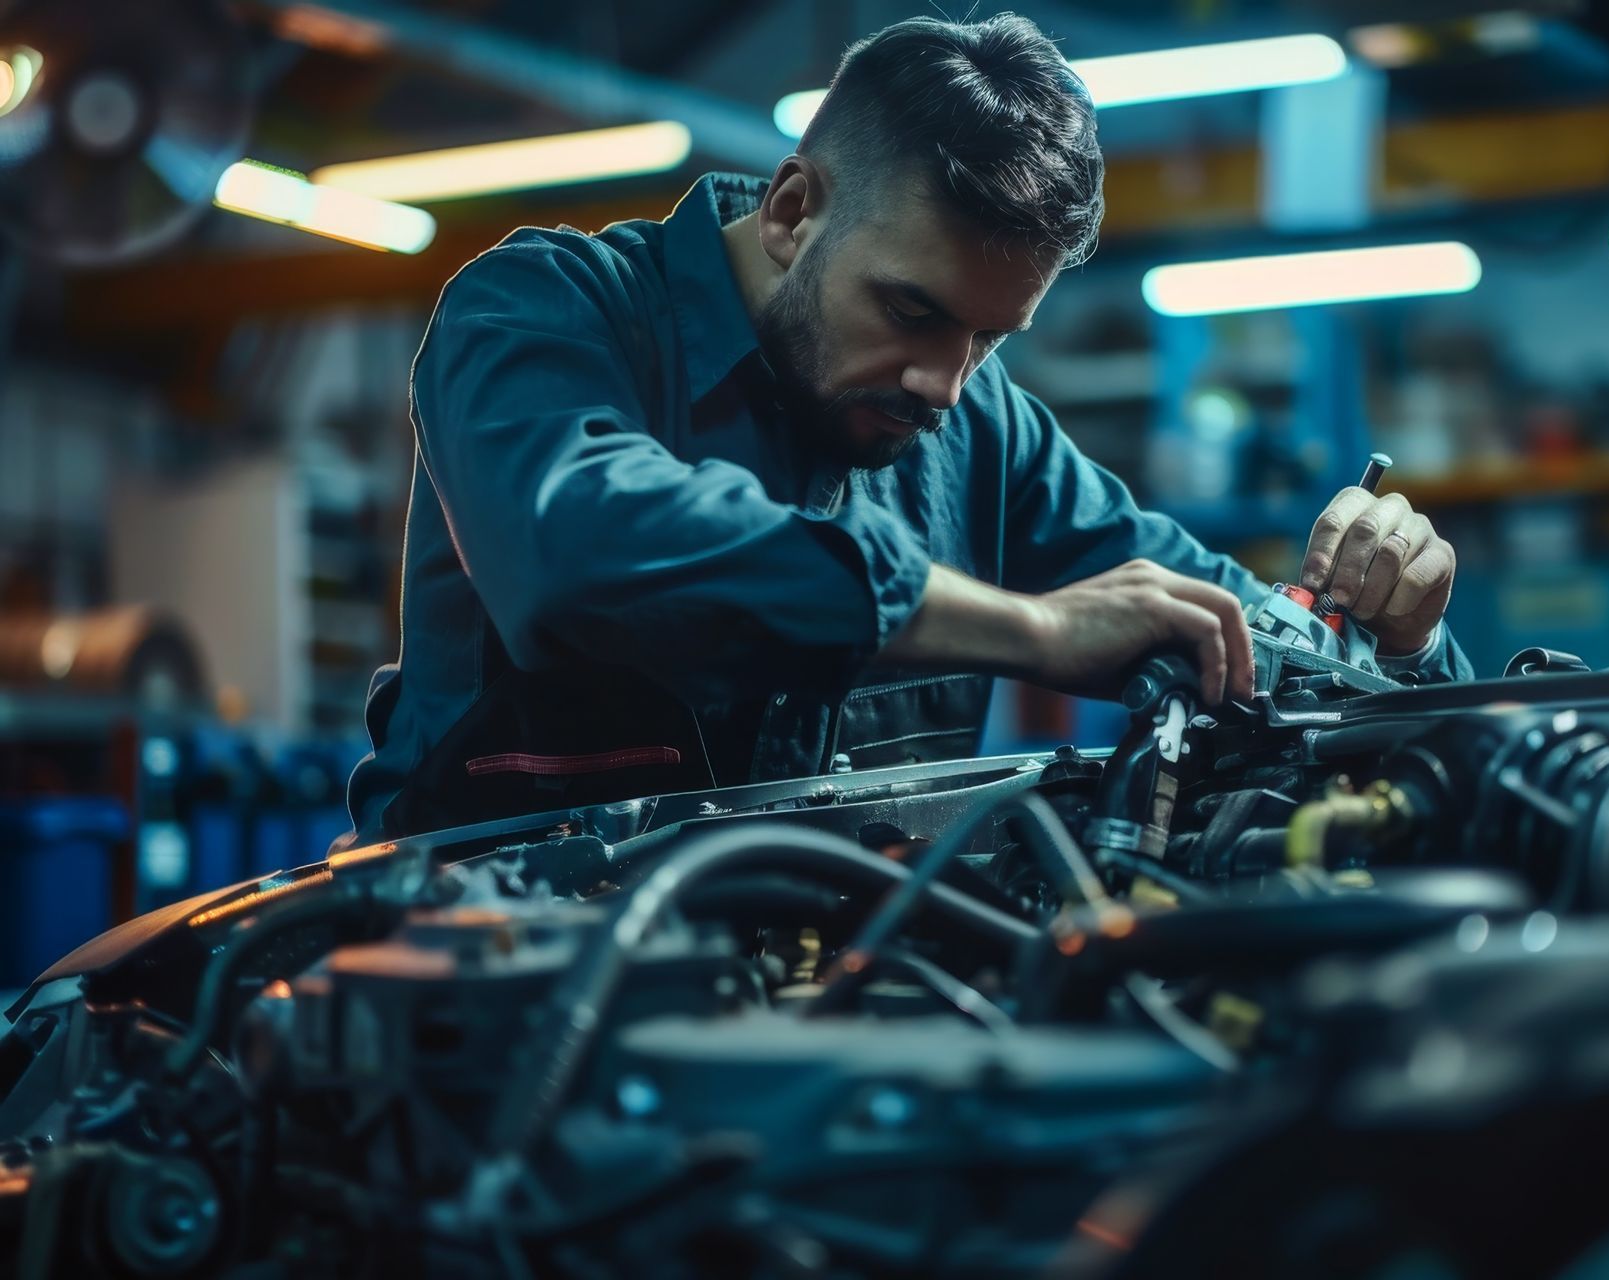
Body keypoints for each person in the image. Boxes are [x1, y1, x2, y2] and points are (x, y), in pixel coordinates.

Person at [343, 13, 1469, 842]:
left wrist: (1403, 643)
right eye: (913, 311)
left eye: (989, 337)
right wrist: (1028, 630)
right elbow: (584, 549)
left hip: (835, 1011)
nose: (944, 383)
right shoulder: (542, 309)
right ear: (793, 210)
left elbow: (1221, 629)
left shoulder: (984, 434)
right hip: (472, 1026)